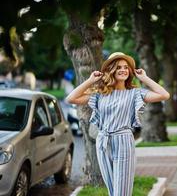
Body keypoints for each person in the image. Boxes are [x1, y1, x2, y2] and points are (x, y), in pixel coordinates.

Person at [66, 52, 170, 196]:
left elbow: (164, 95)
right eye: (119, 67)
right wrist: (90, 81)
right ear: (111, 70)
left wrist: (144, 78)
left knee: (122, 191)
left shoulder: (134, 93)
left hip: (123, 141)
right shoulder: (99, 93)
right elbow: (71, 98)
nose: (123, 70)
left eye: (126, 67)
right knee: (112, 190)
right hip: (103, 141)